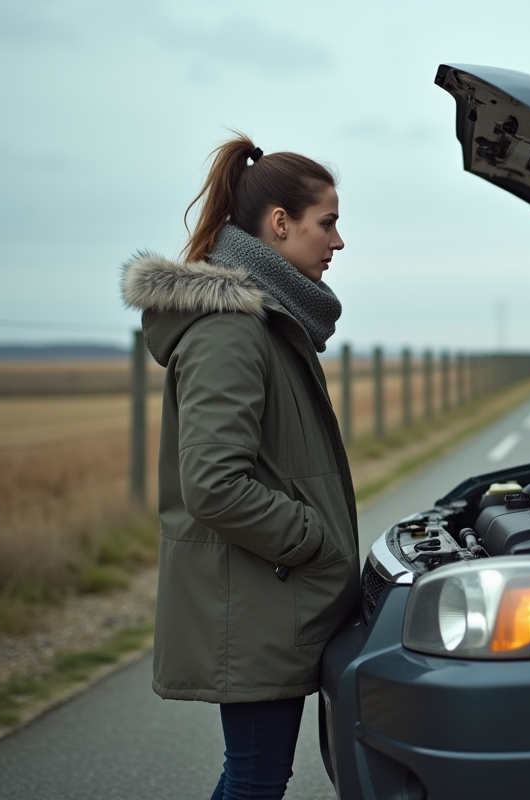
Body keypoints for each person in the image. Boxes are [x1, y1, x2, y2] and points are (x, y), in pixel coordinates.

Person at [121, 135, 359, 799]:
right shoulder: (231, 329)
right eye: (328, 223)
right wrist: (315, 541)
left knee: (255, 776)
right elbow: (215, 485)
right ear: (280, 223)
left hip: (268, 595)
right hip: (257, 600)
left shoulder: (267, 320)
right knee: (255, 778)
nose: (338, 242)